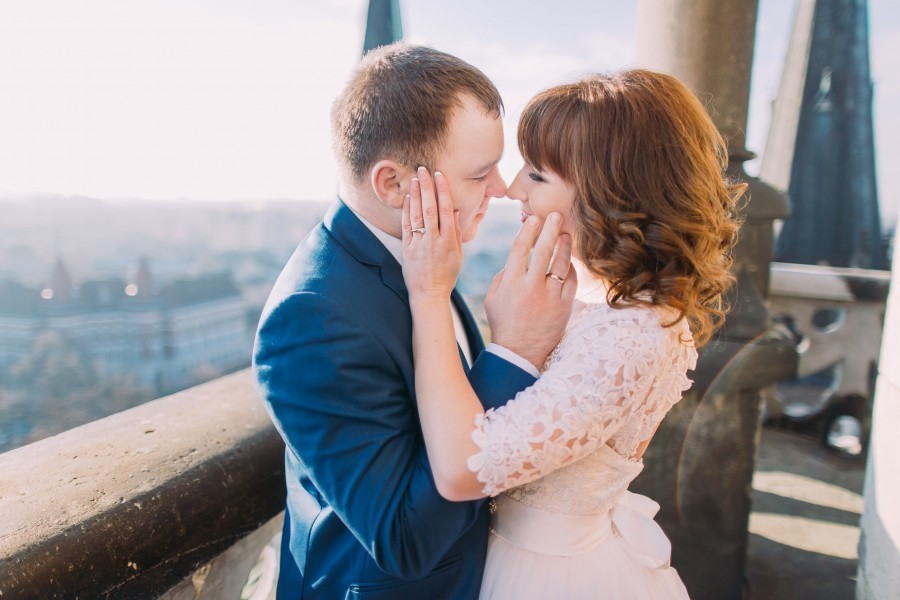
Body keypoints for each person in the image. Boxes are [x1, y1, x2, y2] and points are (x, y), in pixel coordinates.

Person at [400, 70, 744, 599]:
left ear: (609, 192)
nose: (512, 188)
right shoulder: (595, 301)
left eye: (537, 175)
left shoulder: (632, 334)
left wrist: (429, 294)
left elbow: (464, 473)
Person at [252, 43, 574, 599]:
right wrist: (514, 353)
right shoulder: (311, 319)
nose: (501, 189)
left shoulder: (423, 255)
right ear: (393, 185)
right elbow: (405, 541)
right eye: (479, 174)